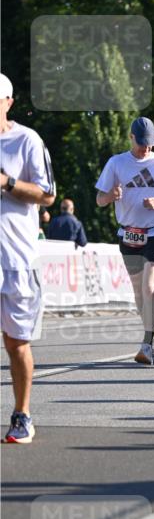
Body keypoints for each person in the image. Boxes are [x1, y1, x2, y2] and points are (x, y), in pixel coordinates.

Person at [96, 117, 154, 365]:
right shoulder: (117, 163)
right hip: (129, 233)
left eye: (150, 143)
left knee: (149, 286)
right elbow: (99, 200)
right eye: (142, 143)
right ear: (131, 138)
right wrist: (110, 195)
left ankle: (146, 343)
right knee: (138, 291)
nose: (147, 148)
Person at [0, 72, 56, 443]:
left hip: (15, 259)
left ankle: (22, 414)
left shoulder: (26, 140)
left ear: (8, 102)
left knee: (16, 342)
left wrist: (5, 183)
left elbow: (47, 194)